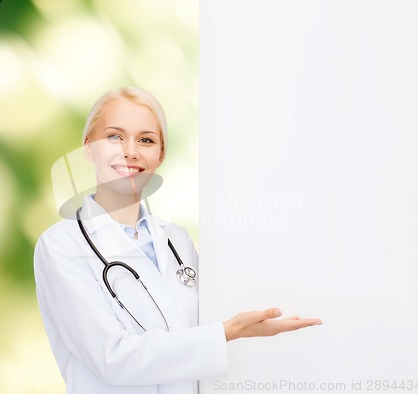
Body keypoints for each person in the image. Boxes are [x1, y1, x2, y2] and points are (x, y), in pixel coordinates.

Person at [34, 87, 322, 394]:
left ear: (160, 155)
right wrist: (229, 331)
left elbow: (193, 341)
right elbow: (112, 358)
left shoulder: (177, 241)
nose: (131, 151)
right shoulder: (62, 247)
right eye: (115, 136)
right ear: (89, 147)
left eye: (146, 139)